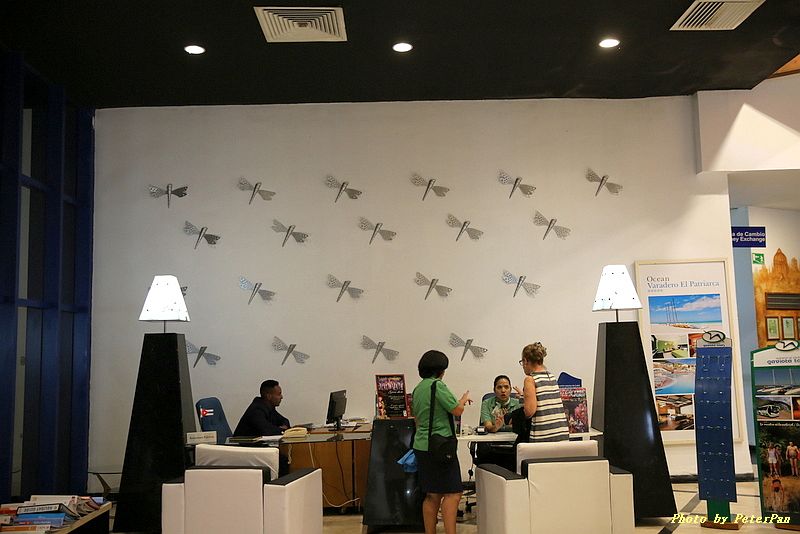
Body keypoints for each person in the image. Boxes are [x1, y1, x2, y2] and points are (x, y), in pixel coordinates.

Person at [412, 350, 471, 534]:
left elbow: (417, 418)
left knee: (432, 495)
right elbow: (457, 410)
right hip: (440, 447)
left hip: (422, 446)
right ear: (440, 370)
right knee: (453, 493)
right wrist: (463, 399)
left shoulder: (418, 388)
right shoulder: (437, 386)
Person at [516, 342, 569, 442]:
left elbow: (529, 411)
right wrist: (524, 396)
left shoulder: (530, 379)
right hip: (561, 433)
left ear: (526, 361)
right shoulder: (551, 377)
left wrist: (522, 402)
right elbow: (544, 400)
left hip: (544, 434)